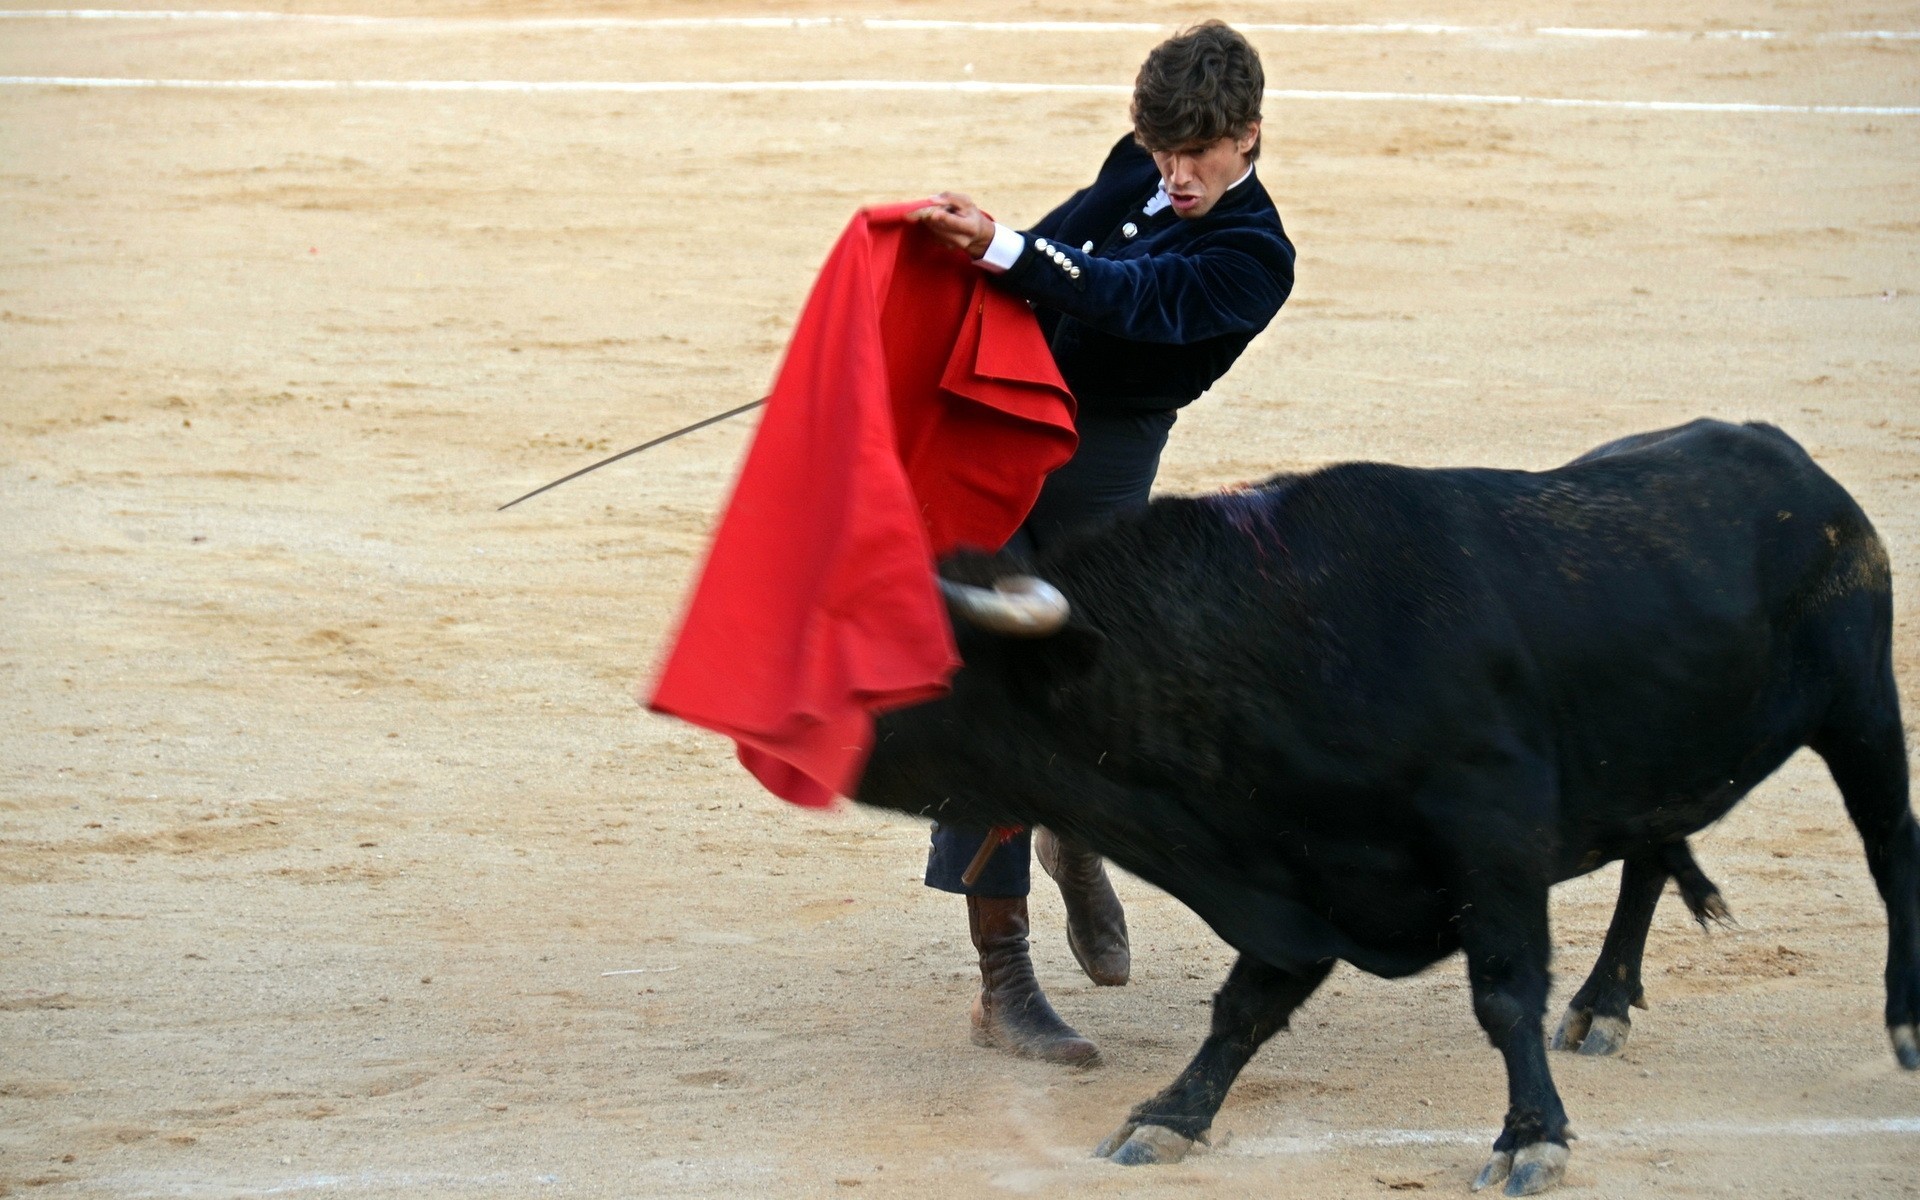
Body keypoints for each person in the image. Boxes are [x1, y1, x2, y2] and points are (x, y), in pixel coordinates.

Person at [908, 20, 1296, 1066]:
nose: (1173, 176)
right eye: (1161, 152)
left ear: (1248, 136)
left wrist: (1008, 250)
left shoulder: (1255, 258)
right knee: (987, 675)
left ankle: (1074, 833)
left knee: (1081, 686)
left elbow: (1123, 296)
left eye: (1196, 156)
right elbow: (1062, 242)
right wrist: (962, 278)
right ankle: (1004, 981)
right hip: (1003, 426)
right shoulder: (1141, 164)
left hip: (1104, 467)